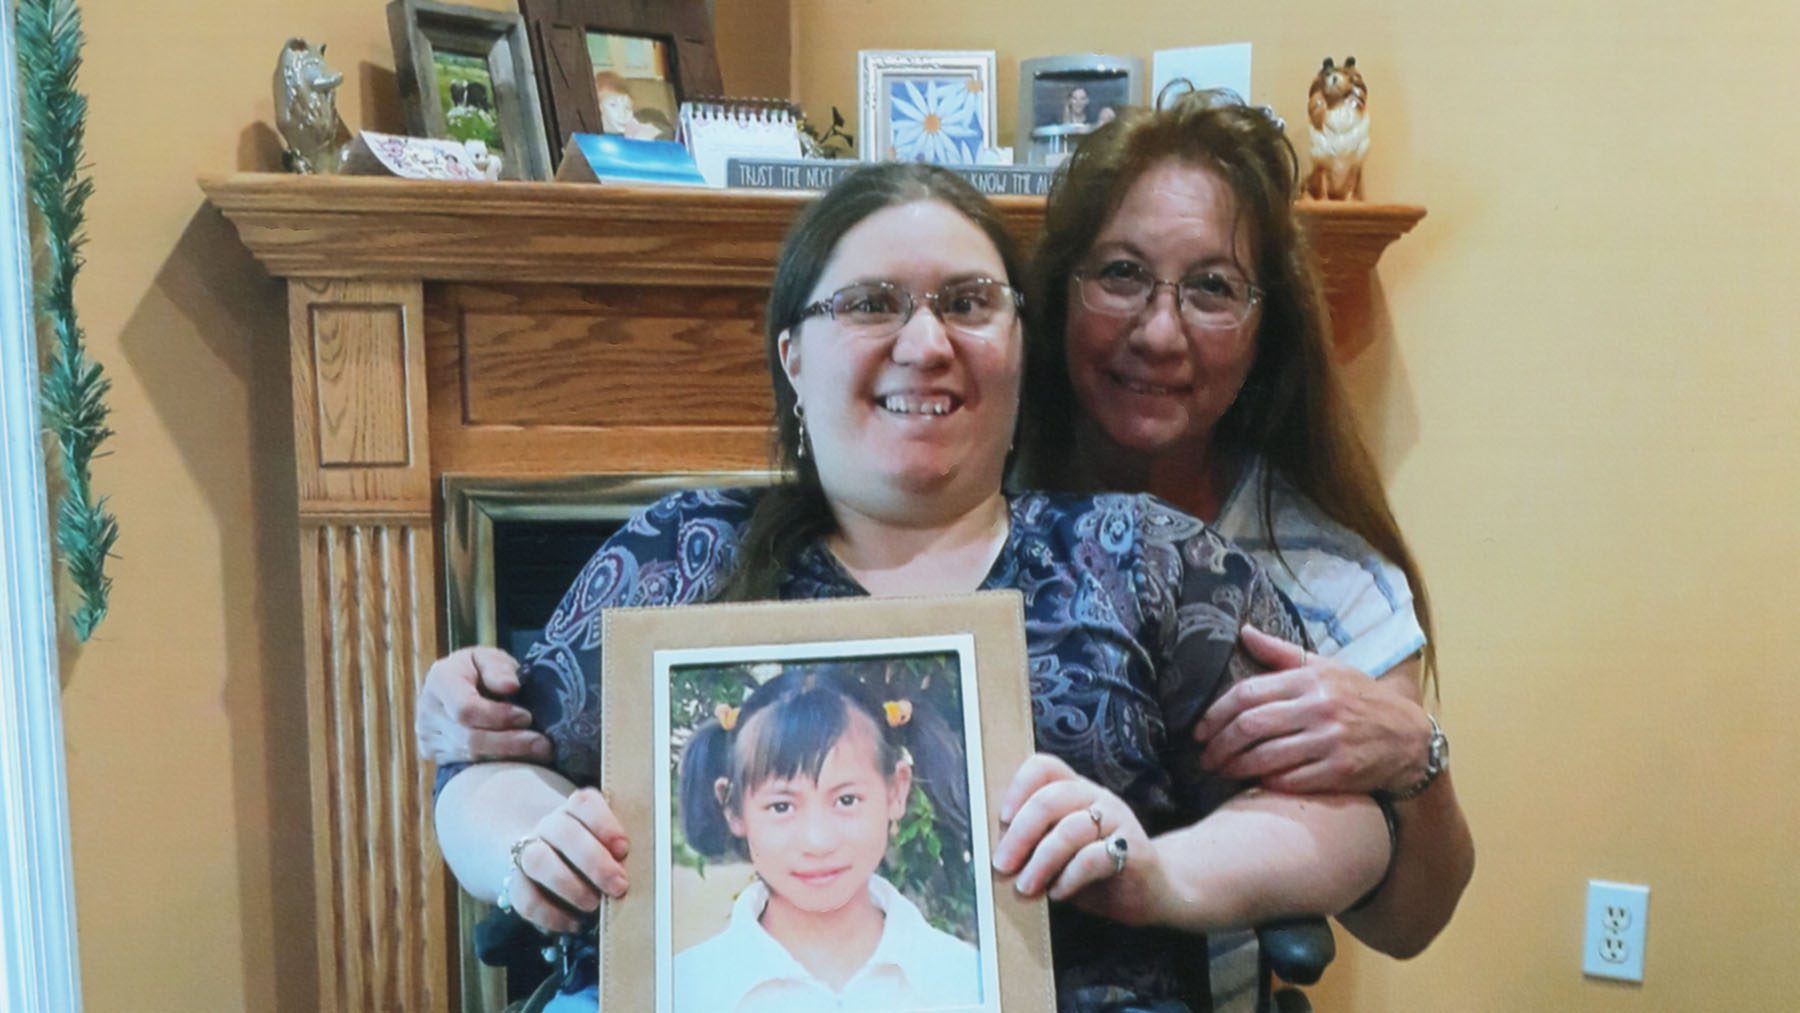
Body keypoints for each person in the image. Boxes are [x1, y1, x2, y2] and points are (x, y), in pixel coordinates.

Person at [428, 162, 1391, 1012]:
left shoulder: (1142, 558)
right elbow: (484, 769)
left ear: (1019, 345)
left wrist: (1160, 874)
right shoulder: (678, 554)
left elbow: (1349, 823)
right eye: (871, 303)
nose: (926, 343)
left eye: (969, 302)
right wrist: (528, 845)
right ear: (794, 358)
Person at [1019, 88, 1474, 963]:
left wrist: (1415, 756)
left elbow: (1409, 923)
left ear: (1267, 329)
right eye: (1120, 273)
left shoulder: (1330, 573)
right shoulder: (969, 508)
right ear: (1059, 293)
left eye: (1212, 289)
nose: (1158, 331)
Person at [672, 667, 980, 1011]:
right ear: (733, 808)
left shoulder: (971, 981)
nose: (817, 842)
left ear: (896, 791)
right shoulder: (681, 990)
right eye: (782, 806)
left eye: (846, 800)